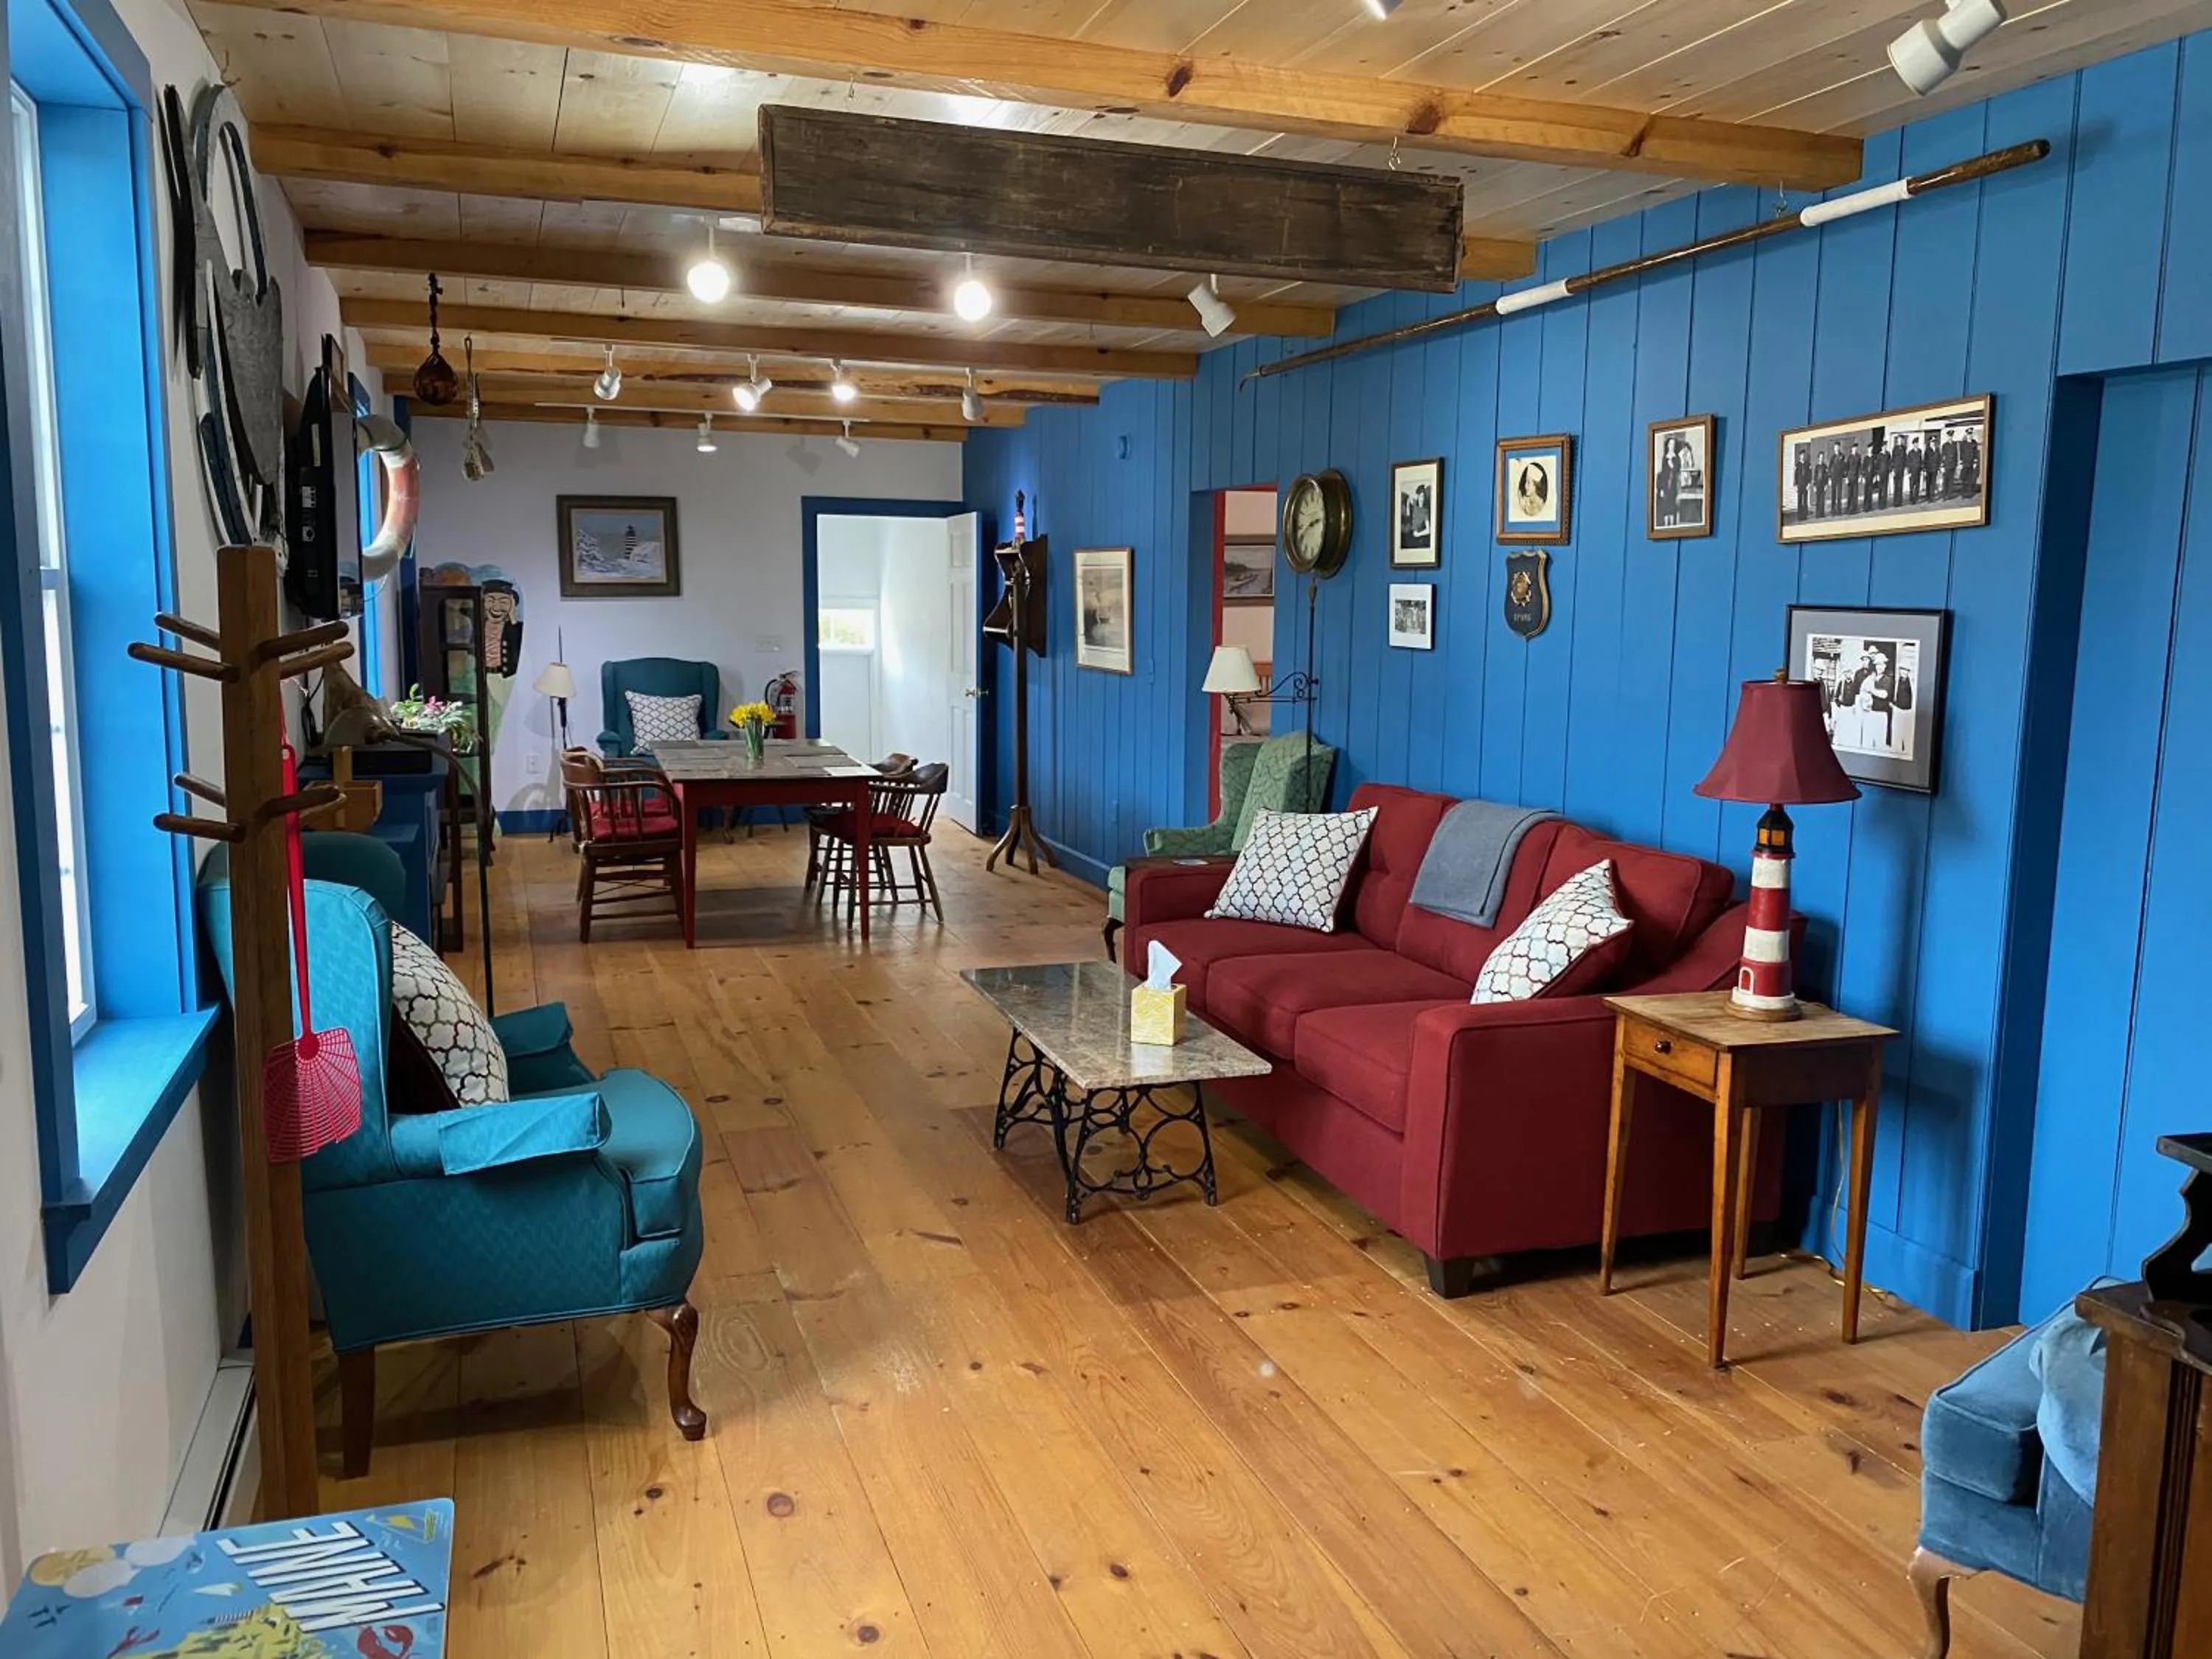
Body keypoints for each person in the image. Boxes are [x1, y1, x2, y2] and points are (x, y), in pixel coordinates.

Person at [1658, 436, 1681, 527]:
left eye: (1673, 444)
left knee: (1672, 504)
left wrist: (1672, 465)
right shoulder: (1665, 458)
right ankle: (1666, 525)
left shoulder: (1677, 458)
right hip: (1666, 484)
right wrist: (1661, 488)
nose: (1672, 446)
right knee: (1665, 504)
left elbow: (1677, 470)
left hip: (1673, 484)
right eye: (1670, 444)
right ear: (1668, 445)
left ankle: (1672, 524)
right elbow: (1663, 474)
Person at [1794, 443, 1812, 520]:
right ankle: (1799, 516)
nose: (1803, 456)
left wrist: (1809, 484)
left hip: (1805, 485)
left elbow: (1810, 475)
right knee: (1800, 500)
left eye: (1804, 455)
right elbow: (1795, 476)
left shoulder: (1808, 464)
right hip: (1800, 485)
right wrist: (1796, 485)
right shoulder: (1797, 465)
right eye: (1802, 455)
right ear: (1800, 456)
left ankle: (1805, 516)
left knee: (1805, 500)